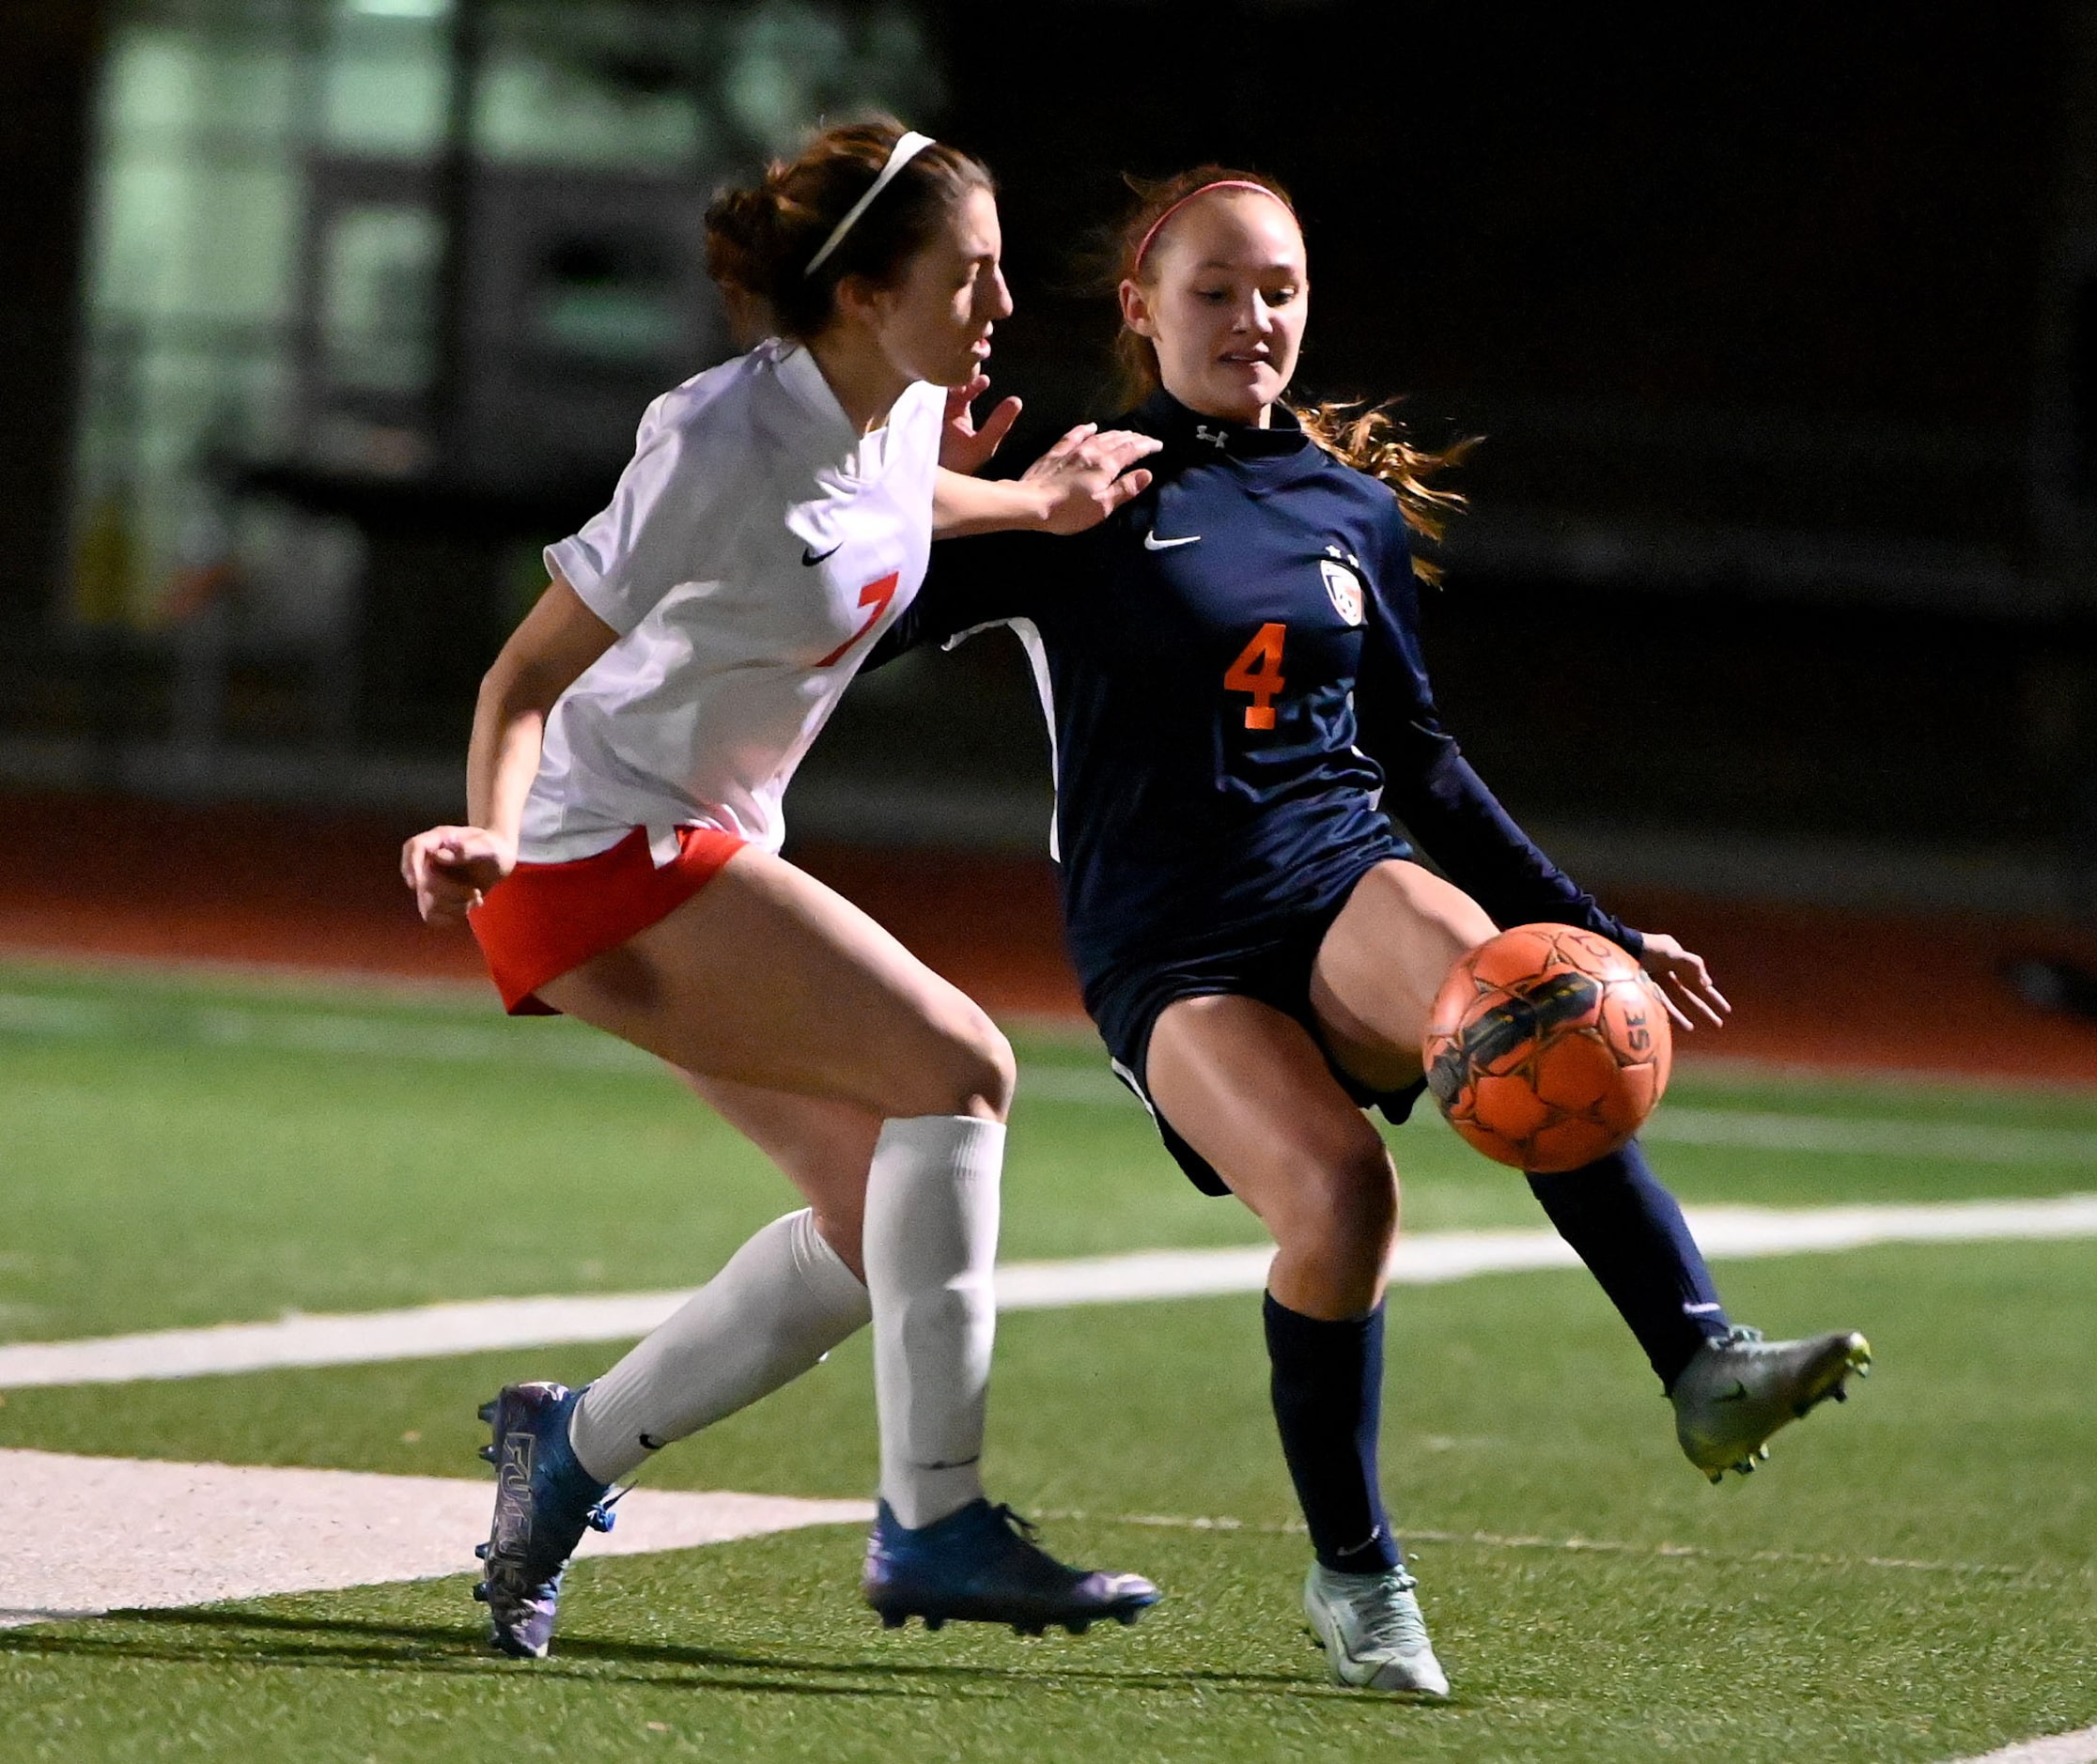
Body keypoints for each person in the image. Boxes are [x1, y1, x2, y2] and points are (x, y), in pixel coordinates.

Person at [874, 166, 1872, 1696]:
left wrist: (1595, 925)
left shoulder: (1345, 503)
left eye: (1279, 288)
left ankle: (1699, 1356)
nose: (1253, 318)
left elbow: (1419, 756)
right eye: (1215, 290)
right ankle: (1358, 1576)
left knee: (1534, 999)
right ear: (1142, 310)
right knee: (1343, 1206)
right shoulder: (1076, 486)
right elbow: (854, 610)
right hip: (1172, 942)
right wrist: (924, 488)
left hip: (1339, 871)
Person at [400, 119, 1165, 1659]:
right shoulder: (717, 437)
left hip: (698, 834)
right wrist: (487, 832)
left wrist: (1031, 503)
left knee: (876, 1221)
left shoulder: (895, 405)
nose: (1001, 306)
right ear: (867, 289)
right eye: (974, 274)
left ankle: (566, 1457)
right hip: (596, 845)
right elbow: (522, 677)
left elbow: (899, 501)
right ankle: (935, 1518)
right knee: (965, 1068)